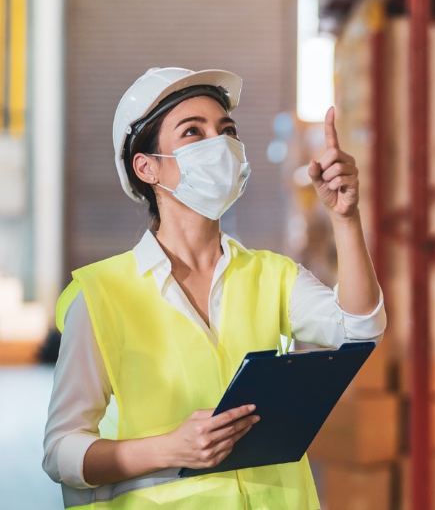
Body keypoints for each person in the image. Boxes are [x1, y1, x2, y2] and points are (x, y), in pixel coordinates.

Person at [42, 67, 385, 509]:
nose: (219, 143)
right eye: (193, 131)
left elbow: (361, 329)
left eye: (227, 130)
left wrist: (345, 219)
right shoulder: (101, 294)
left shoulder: (270, 274)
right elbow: (60, 452)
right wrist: (170, 448)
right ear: (146, 167)